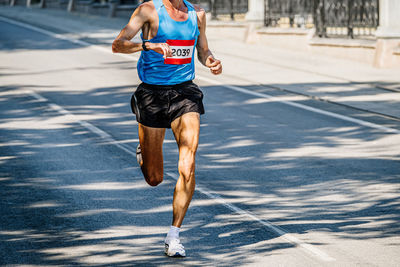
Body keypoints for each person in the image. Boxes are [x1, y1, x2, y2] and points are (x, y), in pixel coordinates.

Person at [112, 0, 222, 257]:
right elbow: (117, 45)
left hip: (185, 93)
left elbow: (202, 49)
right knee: (155, 178)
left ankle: (174, 235)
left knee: (187, 165)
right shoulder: (148, 10)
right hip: (151, 95)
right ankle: (144, 153)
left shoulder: (197, 15)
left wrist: (211, 61)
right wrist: (147, 44)